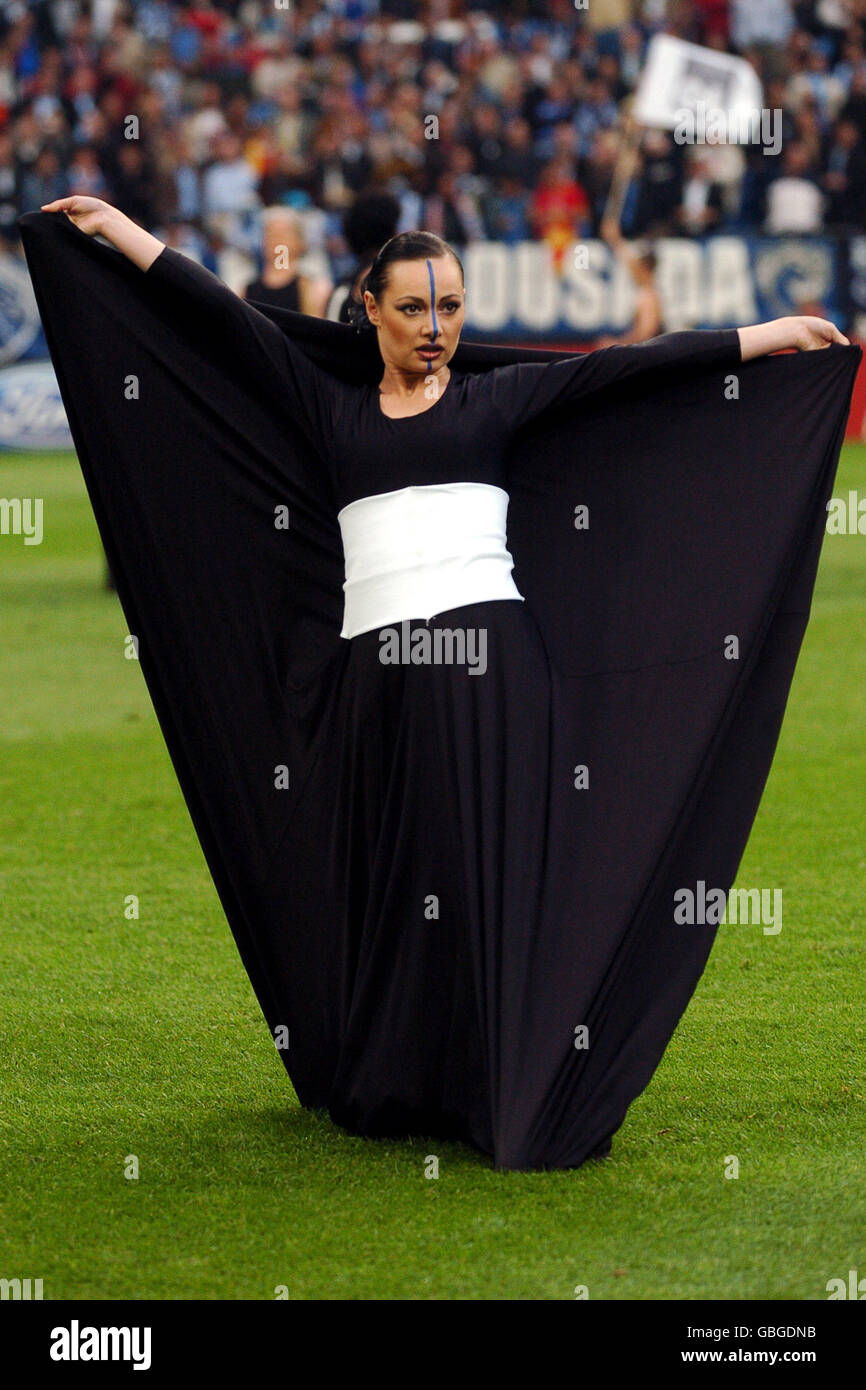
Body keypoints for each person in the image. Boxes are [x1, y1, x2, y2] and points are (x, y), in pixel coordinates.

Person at [26, 194, 857, 1171]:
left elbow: (626, 370)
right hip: (374, 685)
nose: (435, 328)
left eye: (451, 309)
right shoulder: (328, 409)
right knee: (395, 881)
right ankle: (403, 1086)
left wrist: (767, 337)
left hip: (487, 675)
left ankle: (509, 1093)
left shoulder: (495, 402)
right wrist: (122, 234)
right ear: (371, 308)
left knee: (483, 883)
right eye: (416, 308)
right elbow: (225, 323)